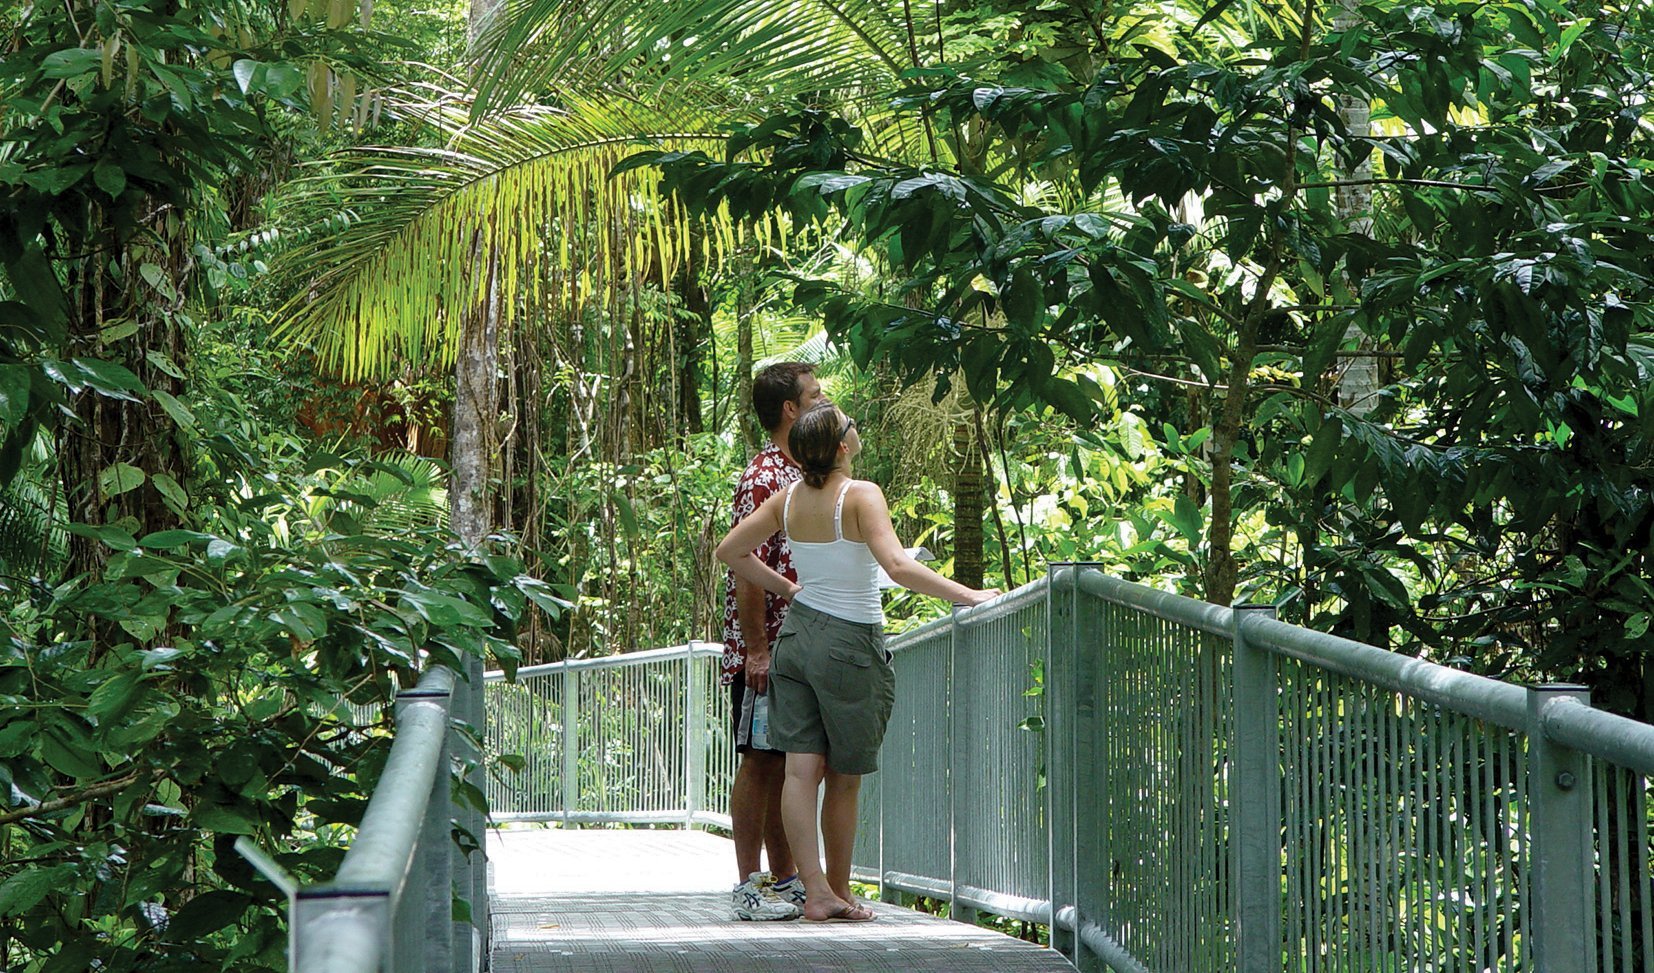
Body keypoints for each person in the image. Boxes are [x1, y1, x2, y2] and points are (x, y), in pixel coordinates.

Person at [716, 402, 998, 923]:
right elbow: (896, 564)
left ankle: (816, 892)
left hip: (796, 641)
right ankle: (838, 891)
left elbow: (730, 551)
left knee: (800, 772)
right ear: (842, 446)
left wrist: (788, 588)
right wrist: (971, 597)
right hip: (849, 643)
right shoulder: (860, 494)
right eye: (850, 424)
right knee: (843, 775)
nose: (855, 427)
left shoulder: (789, 499)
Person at [721, 362, 825, 920]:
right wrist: (757, 649)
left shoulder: (806, 470)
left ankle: (786, 879)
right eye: (814, 395)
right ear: (790, 410)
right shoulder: (764, 476)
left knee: (788, 761)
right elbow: (746, 567)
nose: (823, 400)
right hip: (765, 648)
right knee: (760, 760)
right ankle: (747, 884)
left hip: (802, 644)